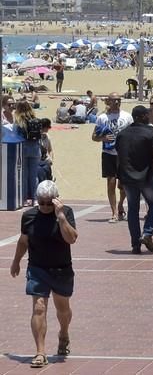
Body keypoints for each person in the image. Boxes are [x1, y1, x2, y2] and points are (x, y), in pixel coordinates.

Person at [10, 180, 78, 368]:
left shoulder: (66, 213)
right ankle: (40, 352)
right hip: (37, 268)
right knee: (39, 307)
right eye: (42, 202)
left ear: (56, 200)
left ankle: (64, 333)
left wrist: (61, 216)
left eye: (49, 202)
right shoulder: (29, 216)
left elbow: (71, 238)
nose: (46, 206)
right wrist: (16, 262)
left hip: (61, 269)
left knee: (63, 309)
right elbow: (24, 240)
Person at [116, 105, 153, 254]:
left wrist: (119, 178)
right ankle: (147, 233)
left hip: (128, 178)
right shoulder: (150, 133)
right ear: (141, 117)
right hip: (146, 178)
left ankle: (135, 244)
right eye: (146, 115)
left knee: (133, 209)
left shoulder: (122, 134)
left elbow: (119, 155)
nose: (148, 116)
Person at [92, 93, 132, 223]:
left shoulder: (127, 116)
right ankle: (114, 212)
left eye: (119, 100)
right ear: (108, 101)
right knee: (111, 182)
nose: (117, 102)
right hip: (108, 153)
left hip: (124, 154)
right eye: (114, 100)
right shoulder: (102, 118)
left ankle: (121, 205)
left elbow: (133, 133)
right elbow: (94, 136)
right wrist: (102, 138)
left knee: (124, 185)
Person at [14, 100, 42, 207]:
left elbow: (16, 135)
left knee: (24, 175)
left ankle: (25, 199)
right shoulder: (35, 119)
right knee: (34, 175)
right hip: (35, 149)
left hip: (24, 149)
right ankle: (35, 199)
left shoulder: (19, 120)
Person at [37, 119, 54, 183]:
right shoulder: (36, 138)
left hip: (45, 161)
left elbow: (50, 150)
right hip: (37, 162)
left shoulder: (47, 137)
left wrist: (51, 159)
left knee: (47, 168)